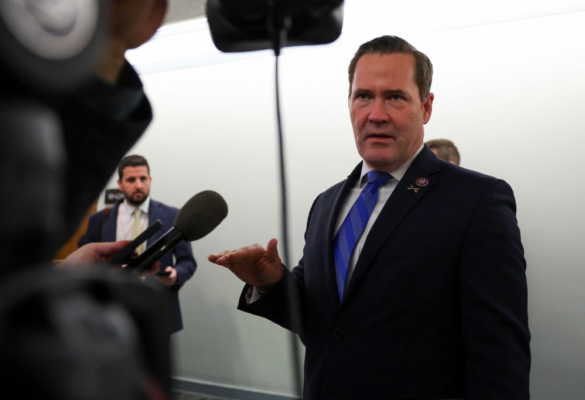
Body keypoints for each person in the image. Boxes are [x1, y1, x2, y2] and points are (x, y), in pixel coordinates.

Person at [209, 35, 530, 399]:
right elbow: (322, 318)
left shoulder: (477, 200)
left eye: (395, 97)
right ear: (350, 104)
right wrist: (271, 281)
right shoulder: (326, 203)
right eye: (363, 96)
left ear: (425, 107)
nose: (376, 114)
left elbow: (500, 353)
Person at [79, 155, 196, 334]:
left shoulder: (173, 216)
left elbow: (187, 261)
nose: (138, 185)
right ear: (120, 184)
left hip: (157, 311)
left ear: (150, 180)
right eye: (131, 180)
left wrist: (175, 275)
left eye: (143, 178)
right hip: (111, 312)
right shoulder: (99, 220)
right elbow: (84, 264)